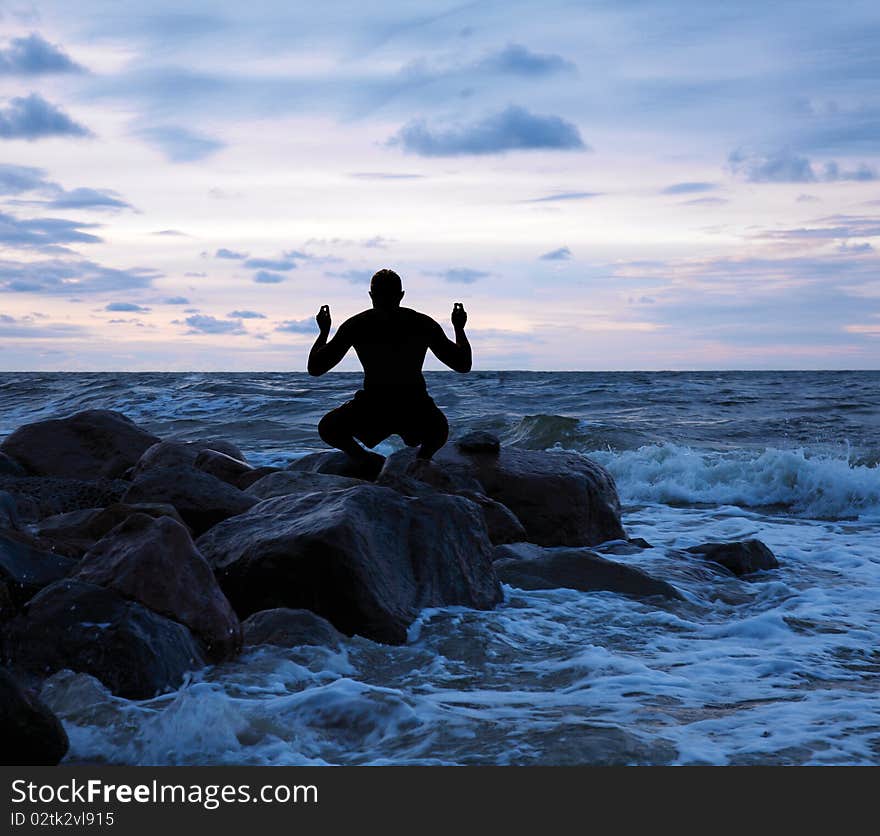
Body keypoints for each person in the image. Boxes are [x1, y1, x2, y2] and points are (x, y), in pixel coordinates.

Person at [308, 268, 471, 475]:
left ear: (371, 295)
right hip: (414, 405)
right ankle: (421, 461)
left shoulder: (357, 325)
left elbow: (315, 368)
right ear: (401, 295)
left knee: (328, 428)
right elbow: (462, 364)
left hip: (373, 405)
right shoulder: (421, 323)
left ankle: (364, 459)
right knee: (439, 430)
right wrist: (459, 328)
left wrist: (323, 332)